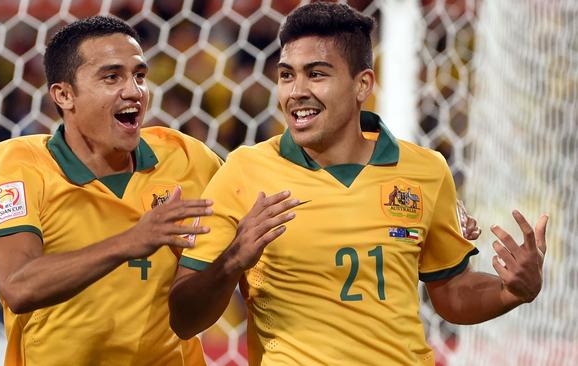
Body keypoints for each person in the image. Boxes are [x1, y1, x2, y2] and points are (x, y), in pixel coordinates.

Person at [168, 3, 548, 365]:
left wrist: (509, 292)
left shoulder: (426, 171)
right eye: (287, 74)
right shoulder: (244, 171)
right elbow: (184, 318)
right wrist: (233, 260)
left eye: (316, 73)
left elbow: (451, 292)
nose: (296, 90)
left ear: (362, 84)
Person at [0, 16, 221, 366]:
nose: (134, 91)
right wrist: (130, 242)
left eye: (139, 75)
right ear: (64, 95)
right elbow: (18, 285)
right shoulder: (18, 164)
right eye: (112, 77)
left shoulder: (187, 157)